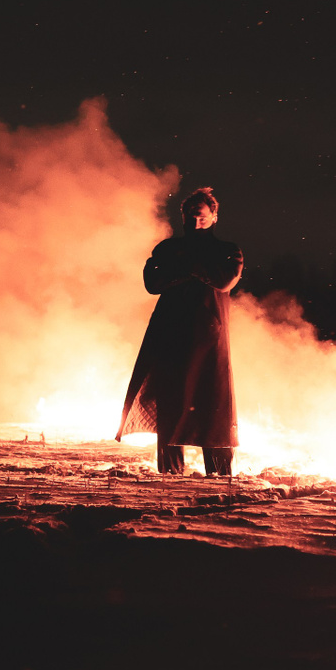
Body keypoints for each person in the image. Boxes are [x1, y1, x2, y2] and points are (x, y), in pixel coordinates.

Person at [117, 186, 242, 475]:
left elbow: (224, 281)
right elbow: (153, 283)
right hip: (170, 333)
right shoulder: (167, 248)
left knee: (213, 403)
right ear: (183, 216)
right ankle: (170, 474)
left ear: (214, 217)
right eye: (190, 216)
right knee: (171, 402)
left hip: (208, 337)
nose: (195, 222)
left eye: (201, 217)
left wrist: (185, 267)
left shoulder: (227, 250)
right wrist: (195, 269)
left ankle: (221, 475)